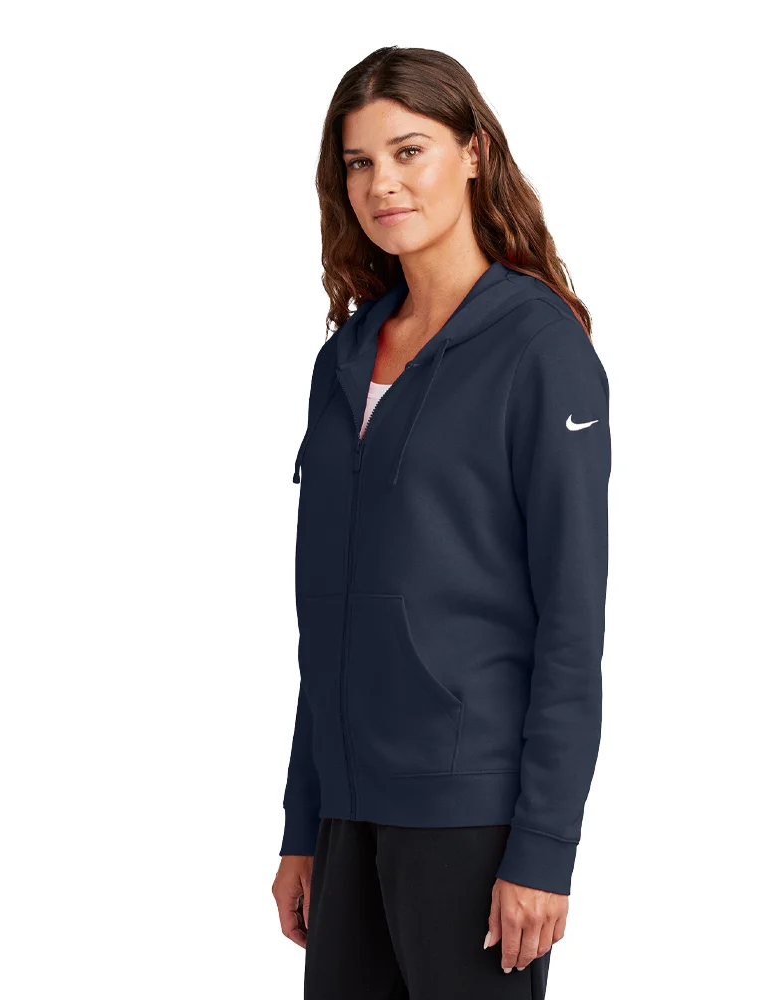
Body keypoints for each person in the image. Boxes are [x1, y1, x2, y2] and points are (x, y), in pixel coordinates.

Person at [271, 46, 611, 999]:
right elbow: (328, 620)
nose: (382, 183)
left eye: (408, 150)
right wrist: (304, 823)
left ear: (473, 152)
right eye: (359, 162)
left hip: (471, 817)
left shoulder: (539, 348)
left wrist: (543, 846)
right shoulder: (345, 359)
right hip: (346, 813)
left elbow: (571, 619)